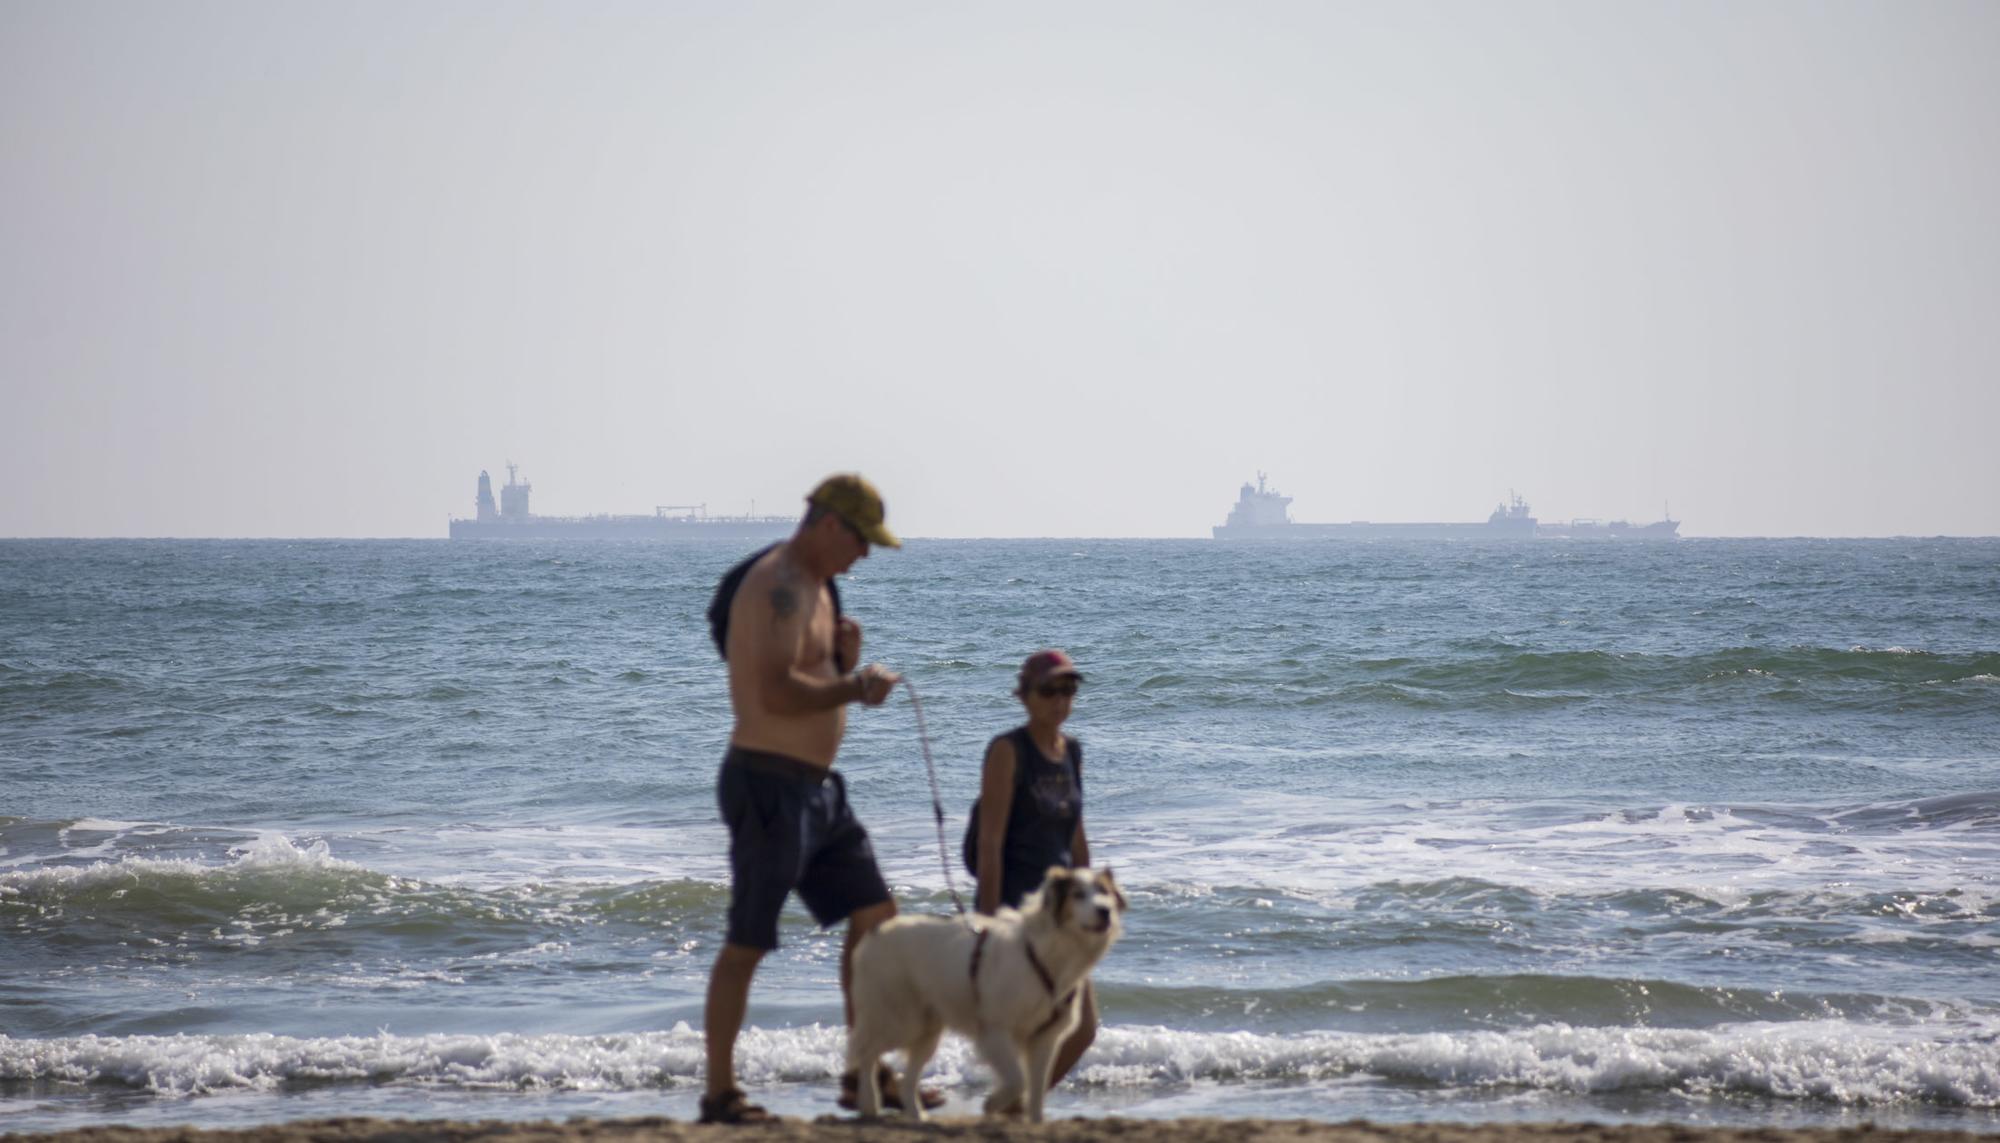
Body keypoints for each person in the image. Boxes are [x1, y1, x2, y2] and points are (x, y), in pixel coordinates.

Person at [698, 473, 938, 1125]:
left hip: (818, 789)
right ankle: (720, 1091)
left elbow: (813, 678)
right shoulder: (777, 585)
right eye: (861, 541)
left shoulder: (823, 587)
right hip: (768, 784)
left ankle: (864, 1071)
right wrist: (855, 685)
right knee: (748, 938)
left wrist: (842, 663)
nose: (863, 556)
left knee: (877, 915)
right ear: (830, 523)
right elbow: (774, 693)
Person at [963, 648, 1098, 1102]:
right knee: (1037, 1027)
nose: (1060, 700)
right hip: (1021, 911)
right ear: (1025, 696)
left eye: (1068, 690)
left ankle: (1010, 1108)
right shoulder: (1008, 751)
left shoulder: (1071, 751)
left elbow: (1076, 836)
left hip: (1065, 914)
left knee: (1080, 1028)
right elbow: (990, 844)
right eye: (1050, 690)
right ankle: (1012, 1110)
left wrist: (1096, 903)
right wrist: (986, 927)